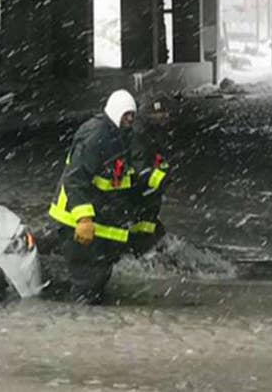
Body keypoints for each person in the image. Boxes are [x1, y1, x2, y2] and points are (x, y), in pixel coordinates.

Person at [46, 89, 138, 303]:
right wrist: (84, 218)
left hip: (99, 222)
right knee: (87, 283)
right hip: (75, 221)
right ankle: (83, 327)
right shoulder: (96, 137)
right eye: (126, 115)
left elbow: (120, 180)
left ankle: (91, 325)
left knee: (97, 278)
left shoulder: (121, 138)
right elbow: (75, 179)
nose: (130, 120)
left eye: (132, 115)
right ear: (116, 114)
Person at [127, 93, 176, 256]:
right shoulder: (139, 135)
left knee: (150, 228)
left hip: (148, 198)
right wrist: (161, 179)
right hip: (139, 197)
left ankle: (149, 250)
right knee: (142, 230)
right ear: (151, 115)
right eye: (162, 113)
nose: (166, 116)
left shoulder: (157, 132)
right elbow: (140, 169)